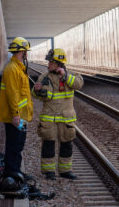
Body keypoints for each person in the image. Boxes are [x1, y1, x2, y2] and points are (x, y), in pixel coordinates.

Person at [33, 48, 83, 180]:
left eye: (51, 62)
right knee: (48, 145)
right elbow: (36, 95)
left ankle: (65, 171)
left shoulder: (71, 75)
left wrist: (65, 76)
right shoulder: (44, 77)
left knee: (66, 145)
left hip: (66, 118)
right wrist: (36, 90)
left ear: (59, 64)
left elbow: (79, 84)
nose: (48, 64)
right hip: (49, 118)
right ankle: (49, 171)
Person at [0, 37, 33, 180]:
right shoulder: (12, 69)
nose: (27, 54)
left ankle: (16, 170)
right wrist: (16, 114)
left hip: (20, 115)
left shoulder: (18, 67)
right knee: (14, 144)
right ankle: (11, 171)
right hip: (15, 115)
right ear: (23, 51)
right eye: (26, 51)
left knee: (18, 144)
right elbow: (13, 93)